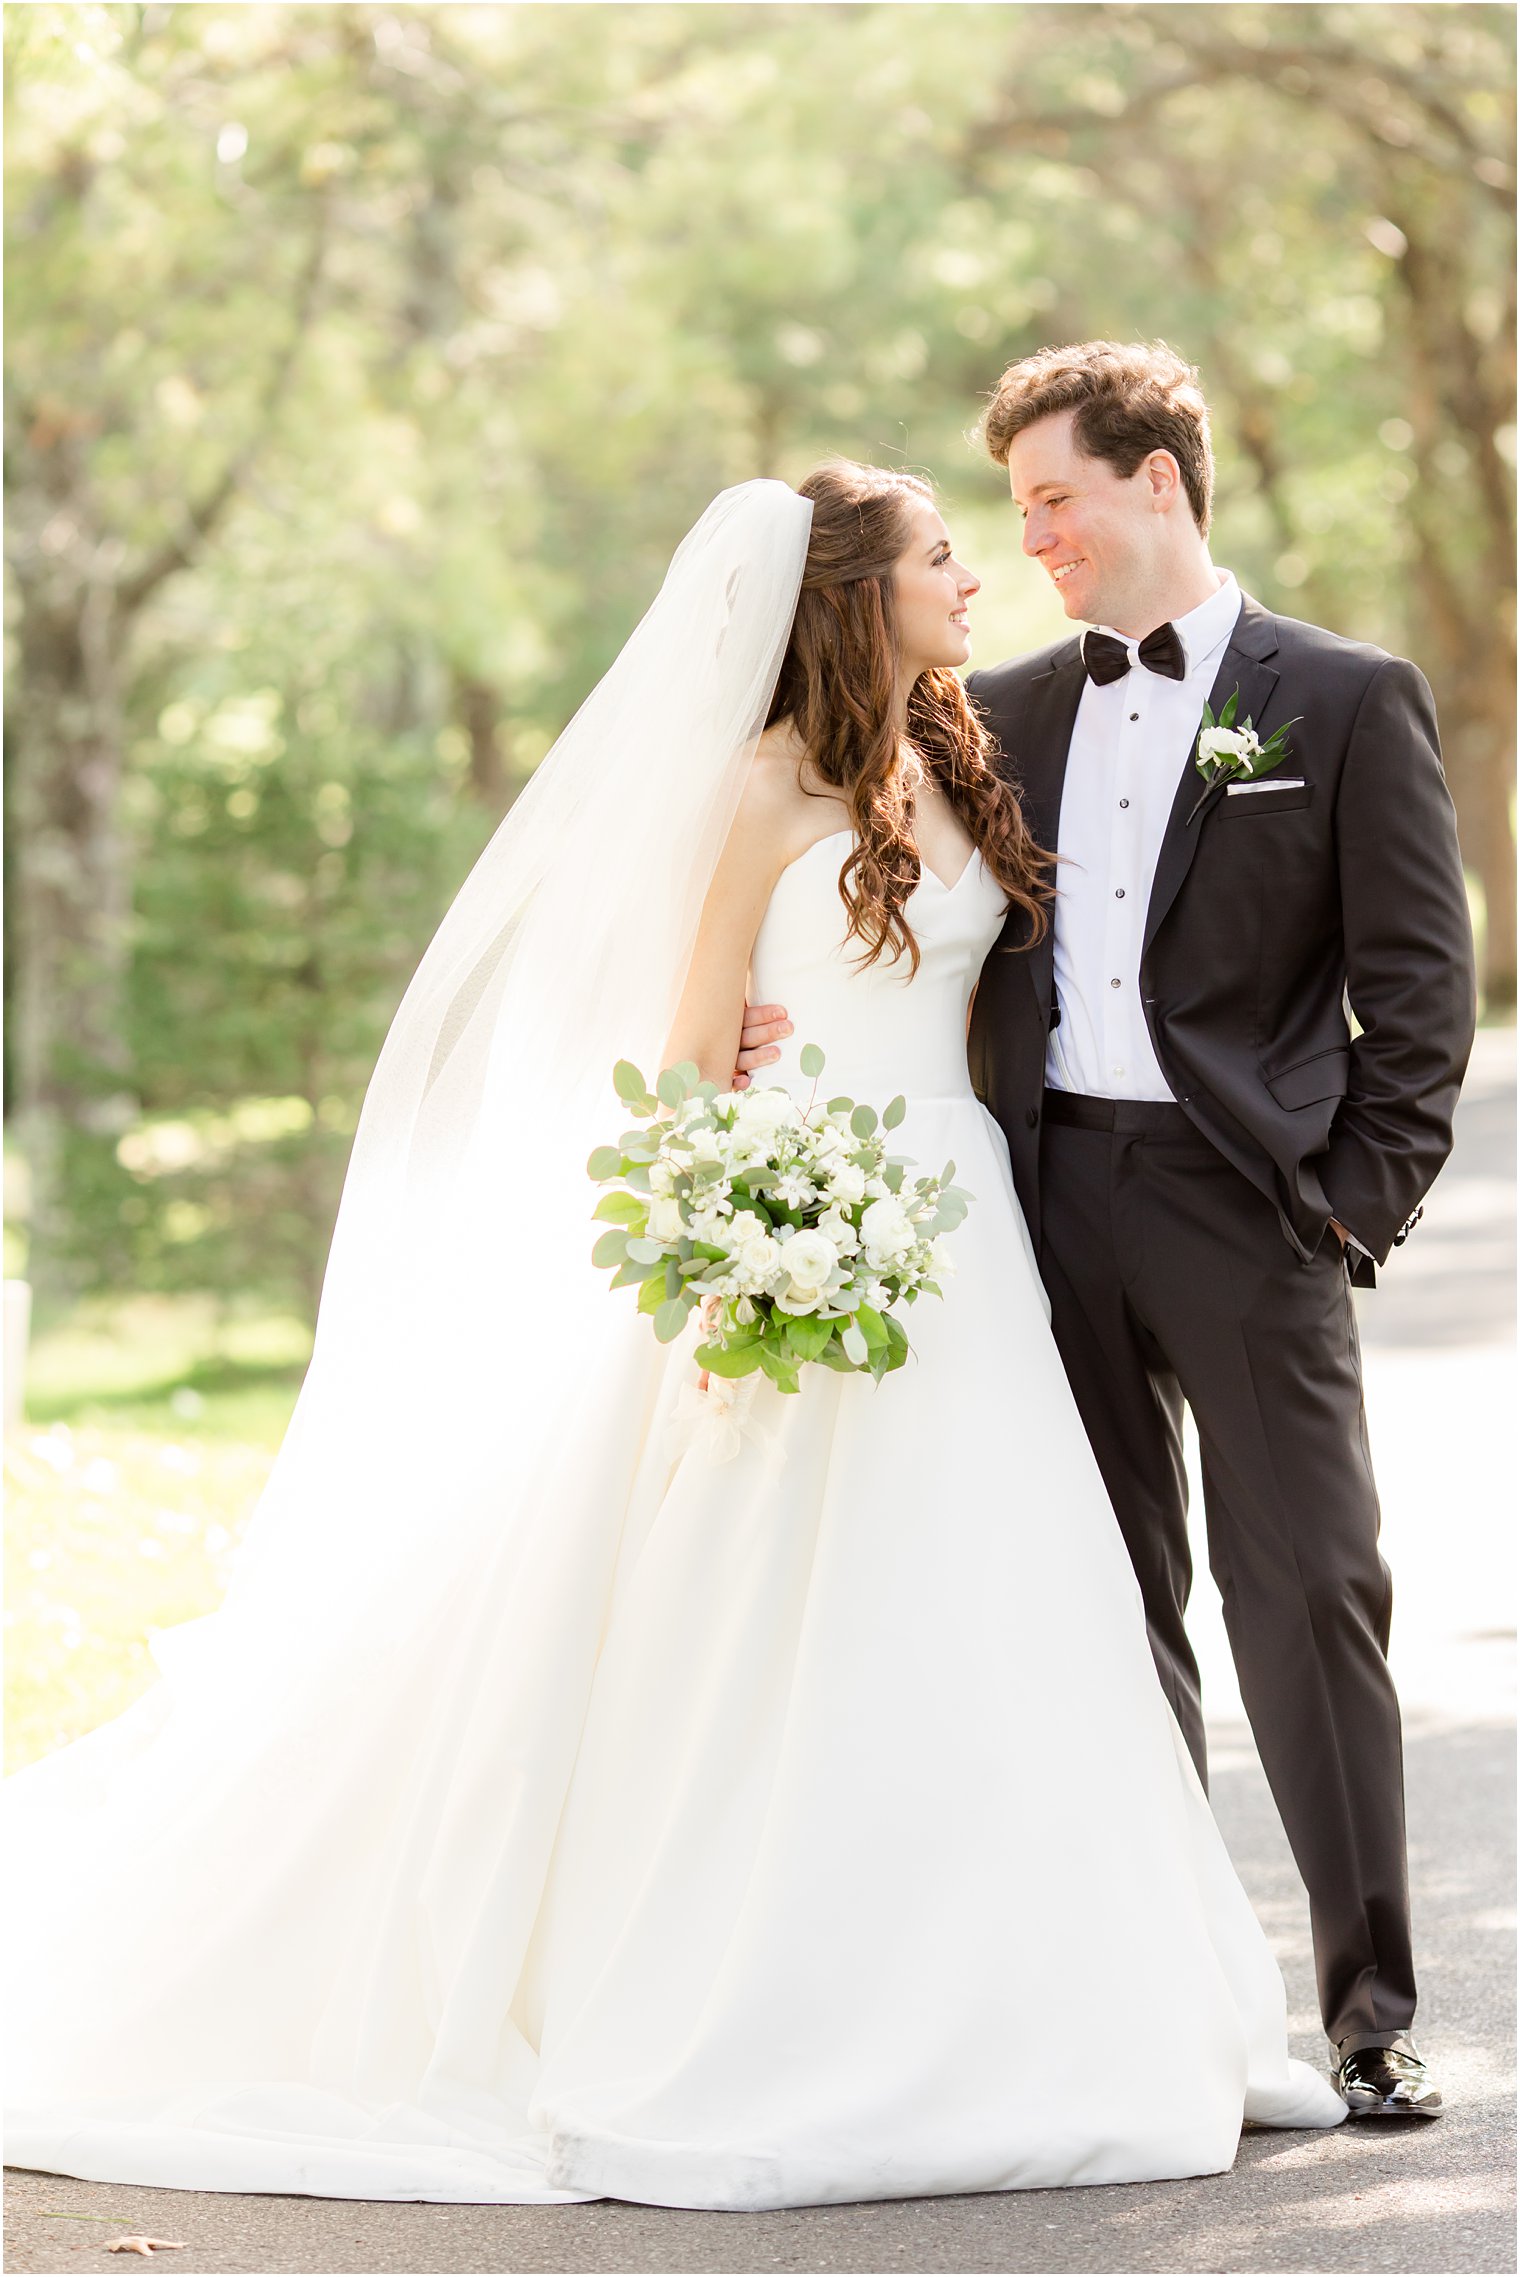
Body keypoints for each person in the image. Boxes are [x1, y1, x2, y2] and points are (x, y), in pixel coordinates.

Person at [5, 462, 1346, 2213]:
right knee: (769, 1623)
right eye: (944, 552)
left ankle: (1076, 1995)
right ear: (854, 596)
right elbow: (687, 1055)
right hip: (813, 1235)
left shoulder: (952, 756)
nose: (975, 572)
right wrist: (737, 1253)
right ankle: (766, 2001)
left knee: (1015, 1600)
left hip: (965, 1240)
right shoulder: (758, 795)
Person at [744, 347, 1478, 2124]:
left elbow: (1420, 995)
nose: (1035, 536)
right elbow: (851, 860)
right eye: (1012, 513)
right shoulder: (988, 707)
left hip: (1252, 1207)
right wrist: (770, 1017)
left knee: (1310, 1595)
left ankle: (1370, 2008)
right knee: (1100, 1600)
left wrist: (1342, 1202)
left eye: (1057, 498)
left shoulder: (1348, 700)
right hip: (1038, 1199)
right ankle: (1163, 1995)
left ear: (1163, 482)